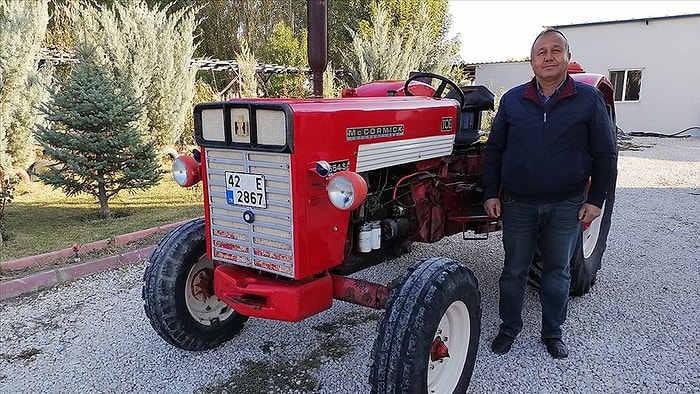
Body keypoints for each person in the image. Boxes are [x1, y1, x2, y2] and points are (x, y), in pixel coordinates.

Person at [482, 28, 617, 359]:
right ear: (531, 61)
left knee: (558, 272)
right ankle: (509, 328)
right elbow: (495, 148)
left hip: (566, 205)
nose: (548, 56)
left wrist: (595, 199)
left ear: (567, 58)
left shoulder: (588, 99)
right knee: (514, 270)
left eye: (556, 50)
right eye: (541, 52)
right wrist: (490, 193)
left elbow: (605, 153)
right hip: (518, 204)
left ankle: (553, 332)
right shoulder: (513, 99)